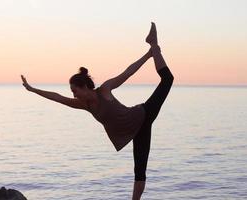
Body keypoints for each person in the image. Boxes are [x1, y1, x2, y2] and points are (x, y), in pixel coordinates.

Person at [21, 22, 174, 200]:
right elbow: (57, 97)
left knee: (167, 79)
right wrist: (32, 89)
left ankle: (153, 45)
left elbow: (128, 72)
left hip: (142, 114)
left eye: (75, 90)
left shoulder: (105, 90)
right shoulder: (84, 105)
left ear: (85, 87)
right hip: (137, 131)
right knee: (139, 171)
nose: (73, 95)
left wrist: (148, 55)